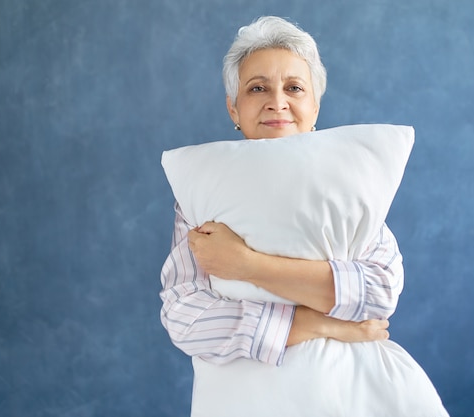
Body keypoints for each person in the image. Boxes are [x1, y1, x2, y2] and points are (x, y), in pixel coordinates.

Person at [160, 16, 447, 415]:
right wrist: (318, 324)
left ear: (314, 106)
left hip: (348, 395)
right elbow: (184, 315)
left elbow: (378, 293)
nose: (277, 101)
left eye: (294, 88)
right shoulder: (204, 186)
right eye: (257, 88)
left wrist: (247, 264)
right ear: (233, 109)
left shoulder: (348, 180)